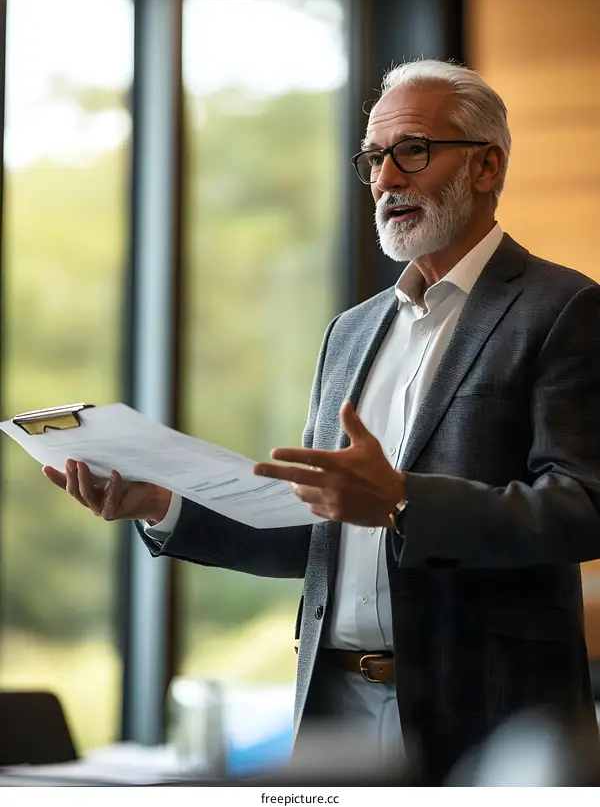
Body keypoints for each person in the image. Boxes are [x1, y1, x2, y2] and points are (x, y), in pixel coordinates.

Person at [43, 59, 600, 783]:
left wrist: (401, 501)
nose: (386, 180)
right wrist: (161, 504)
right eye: (374, 158)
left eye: (413, 151)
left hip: (485, 709)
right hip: (332, 703)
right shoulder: (351, 330)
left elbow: (585, 505)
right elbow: (316, 535)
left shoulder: (562, 309)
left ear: (488, 165)